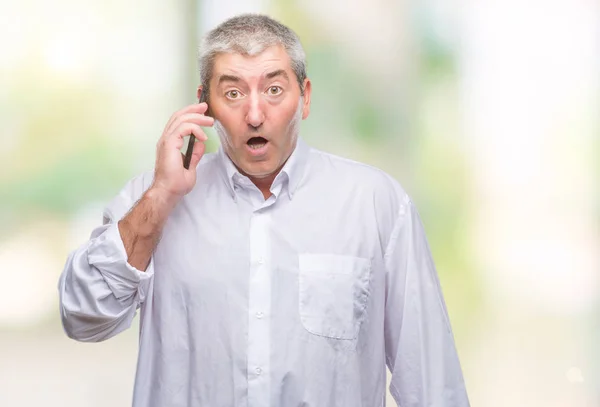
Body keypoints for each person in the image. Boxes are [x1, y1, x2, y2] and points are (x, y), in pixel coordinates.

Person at [58, 13, 470, 407]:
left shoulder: (376, 203)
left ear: (304, 98)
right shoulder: (152, 198)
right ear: (204, 107)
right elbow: (83, 316)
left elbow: (433, 384)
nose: (255, 115)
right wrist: (161, 195)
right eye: (233, 92)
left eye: (274, 90)